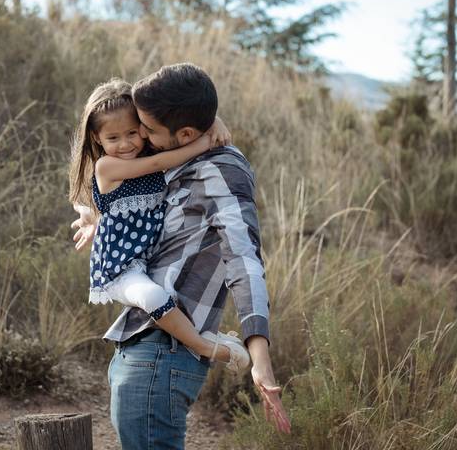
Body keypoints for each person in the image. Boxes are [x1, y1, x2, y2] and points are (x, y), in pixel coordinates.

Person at [71, 63, 291, 448]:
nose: (141, 137)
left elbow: (244, 262)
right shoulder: (174, 154)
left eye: (147, 130)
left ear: (185, 134)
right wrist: (98, 221)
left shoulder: (219, 170)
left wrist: (262, 359)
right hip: (142, 346)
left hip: (163, 355)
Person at [68, 78, 251, 371]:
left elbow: (176, 119)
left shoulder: (149, 148)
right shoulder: (108, 166)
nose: (126, 144)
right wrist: (206, 139)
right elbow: (159, 164)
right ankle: (206, 346)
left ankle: (197, 330)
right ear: (97, 138)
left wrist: (212, 119)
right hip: (120, 266)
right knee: (154, 297)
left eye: (132, 132)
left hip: (151, 255)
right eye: (113, 138)